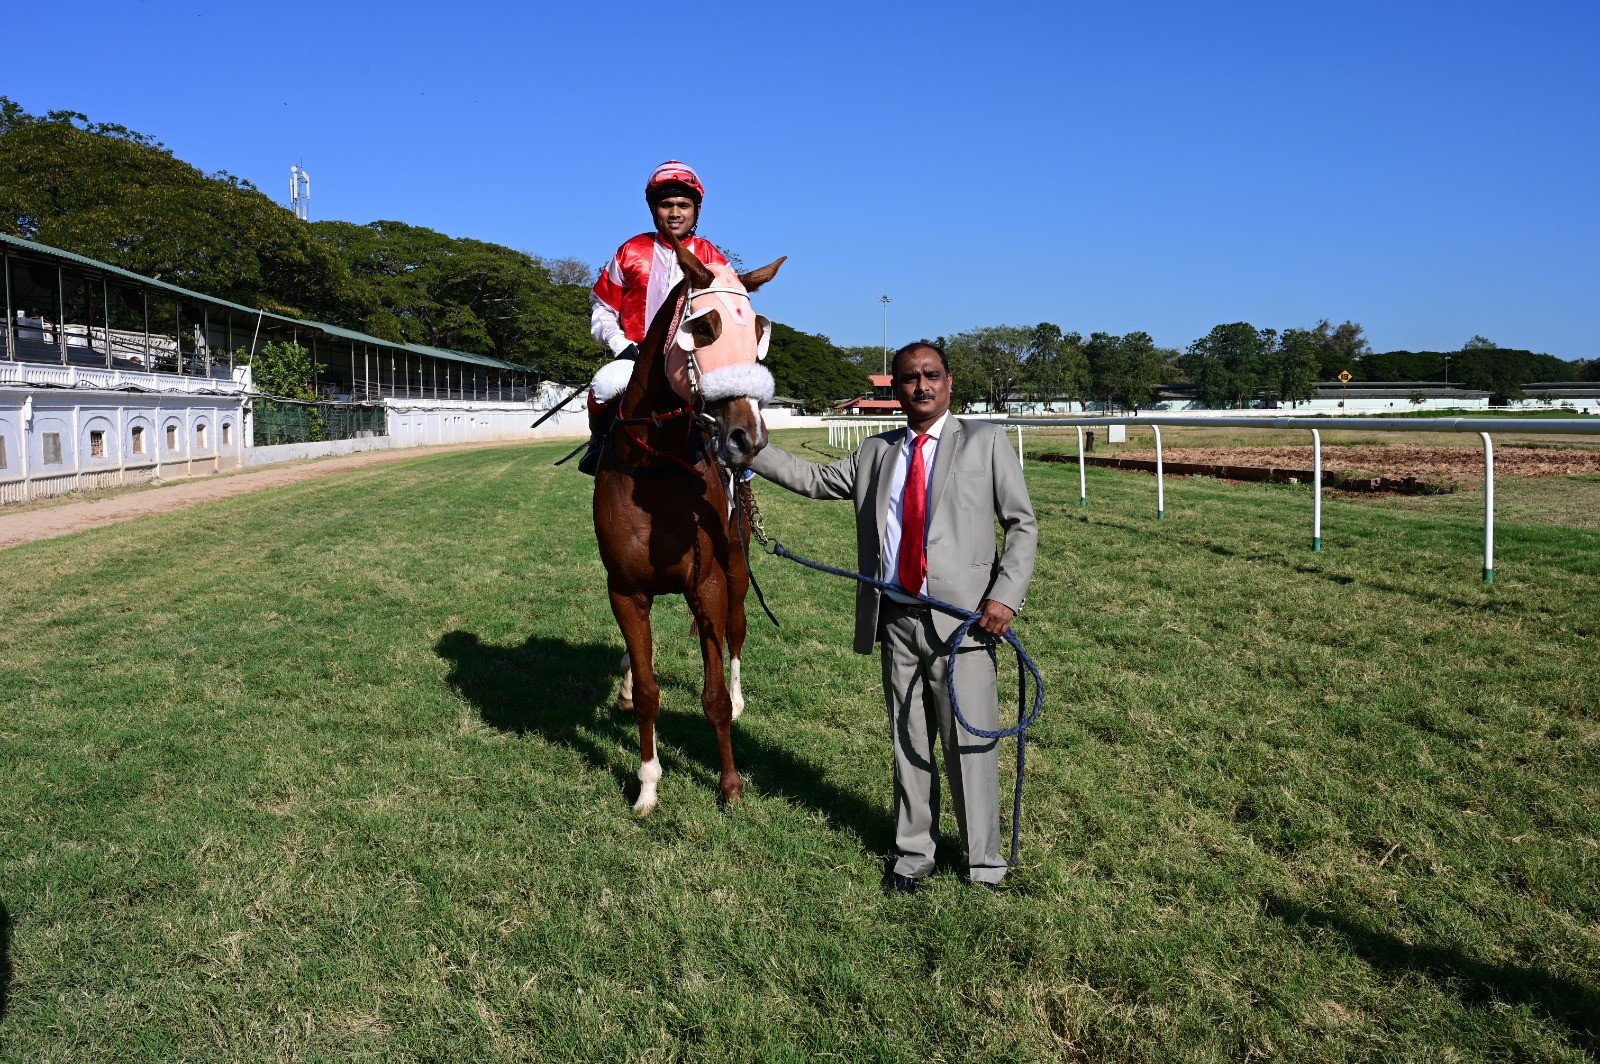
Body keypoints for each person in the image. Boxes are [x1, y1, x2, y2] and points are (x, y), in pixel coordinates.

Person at [750, 342, 1038, 893]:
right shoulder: (876, 453)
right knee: (909, 743)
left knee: (970, 746)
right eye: (909, 378)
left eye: (931, 376)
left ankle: (985, 867)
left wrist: (1004, 595)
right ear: (896, 389)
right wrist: (749, 447)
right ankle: (913, 856)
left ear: (949, 383)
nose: (921, 386)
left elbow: (1021, 524)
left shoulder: (984, 442)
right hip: (897, 622)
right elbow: (813, 480)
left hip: (965, 627)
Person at [579, 160, 728, 474]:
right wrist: (620, 344)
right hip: (638, 360)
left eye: (683, 205)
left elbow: (727, 315)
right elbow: (603, 309)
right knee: (605, 384)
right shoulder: (630, 251)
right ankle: (599, 445)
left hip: (693, 362)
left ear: (695, 209)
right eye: (666, 204)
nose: (675, 212)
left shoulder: (712, 257)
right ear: (653, 208)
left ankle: (735, 463)